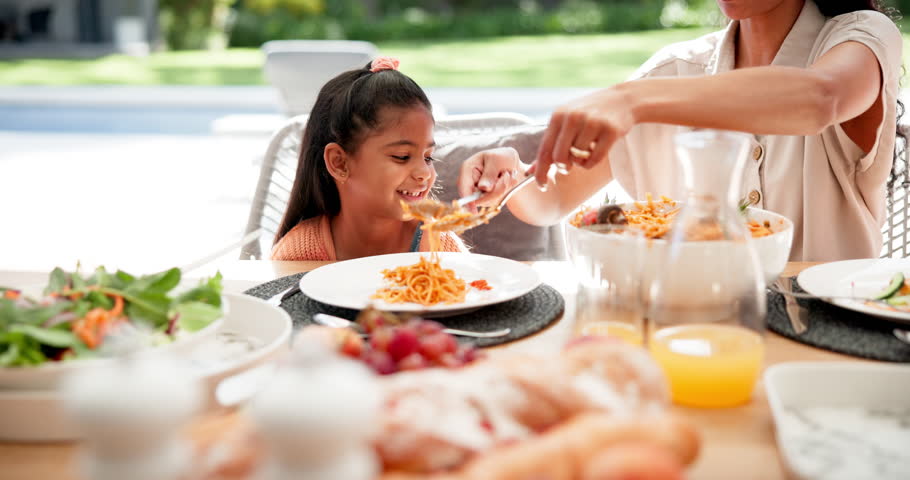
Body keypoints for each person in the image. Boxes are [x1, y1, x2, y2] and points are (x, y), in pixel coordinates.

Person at [461, 0, 903, 262]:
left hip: (831, 350)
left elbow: (819, 98)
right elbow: (552, 199)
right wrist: (511, 177)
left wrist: (630, 100)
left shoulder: (861, 38)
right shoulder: (673, 71)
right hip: (696, 332)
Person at [272, 57, 512, 261]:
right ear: (339, 163)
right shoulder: (300, 252)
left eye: (428, 157)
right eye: (402, 156)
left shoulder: (437, 244)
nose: (424, 173)